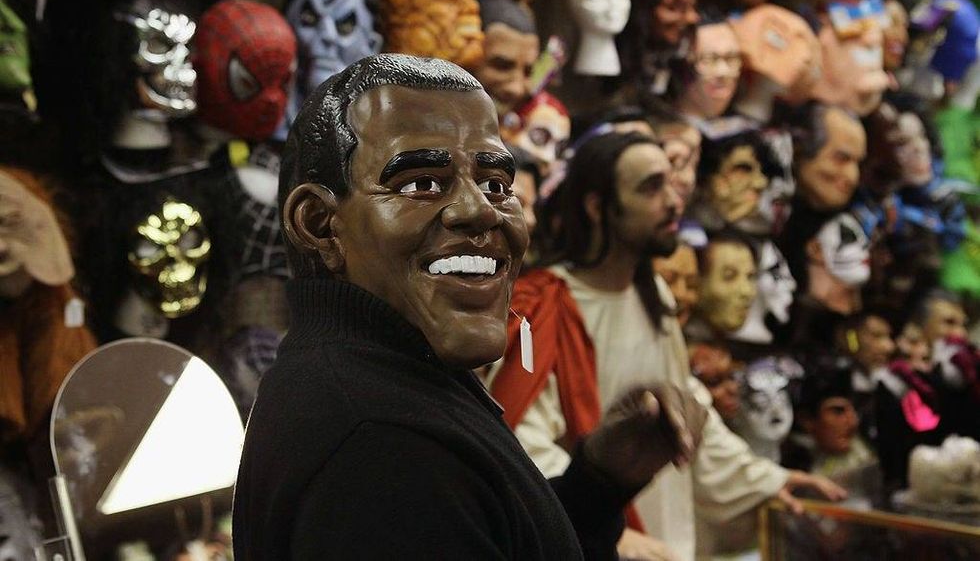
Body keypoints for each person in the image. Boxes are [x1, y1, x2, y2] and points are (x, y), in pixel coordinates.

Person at [232, 53, 708, 560]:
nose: (481, 209)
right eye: (421, 184)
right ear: (320, 225)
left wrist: (597, 483)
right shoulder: (383, 447)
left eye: (497, 185)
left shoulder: (386, 384)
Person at [488, 130, 844, 561]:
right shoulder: (544, 305)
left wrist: (768, 482)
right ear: (597, 206)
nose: (674, 202)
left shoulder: (655, 294)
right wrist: (603, 525)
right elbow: (520, 446)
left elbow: (688, 416)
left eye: (672, 183)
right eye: (651, 187)